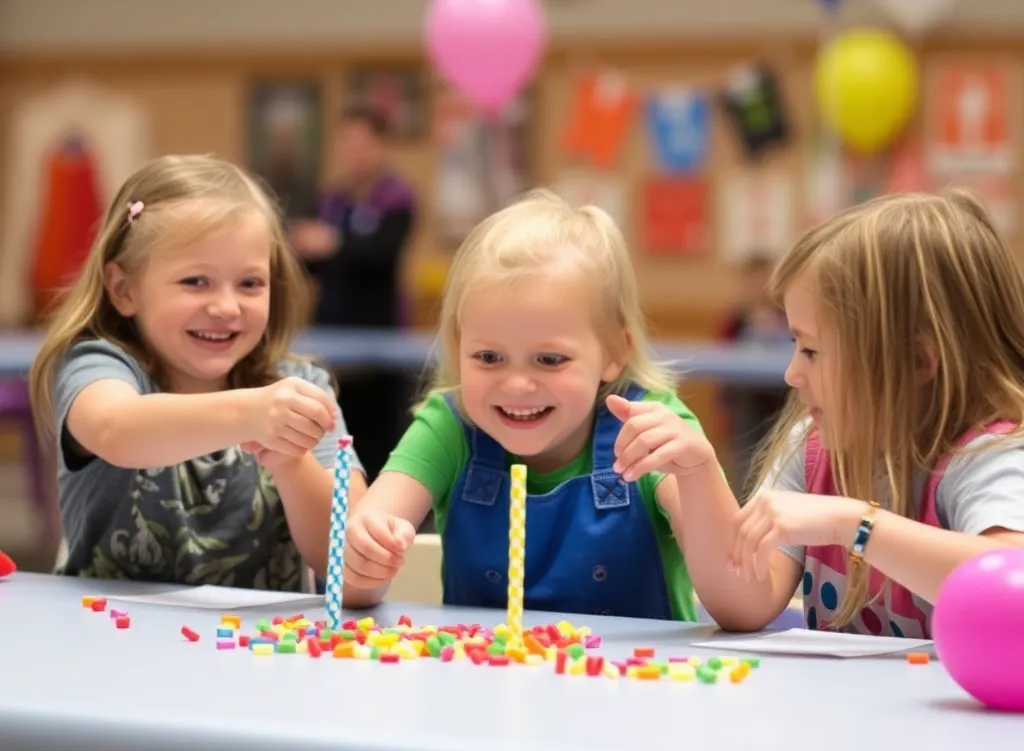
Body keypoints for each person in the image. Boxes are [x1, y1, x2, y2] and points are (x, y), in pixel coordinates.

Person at [28, 154, 369, 751]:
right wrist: (251, 412)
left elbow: (347, 558)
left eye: (250, 283)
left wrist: (291, 459)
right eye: (195, 282)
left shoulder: (301, 389)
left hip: (262, 685)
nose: (227, 306)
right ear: (124, 289)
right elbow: (116, 430)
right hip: (103, 678)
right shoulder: (101, 367)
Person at [337, 188, 735, 623]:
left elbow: (739, 604)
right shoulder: (449, 426)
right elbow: (350, 584)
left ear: (614, 352)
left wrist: (699, 476)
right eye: (489, 357)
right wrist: (365, 554)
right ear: (457, 347)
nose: (517, 385)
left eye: (550, 360)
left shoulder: (651, 430)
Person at [713, 190, 1024, 635]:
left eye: (812, 350)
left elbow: (1009, 578)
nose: (792, 374)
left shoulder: (991, 455)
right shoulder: (812, 446)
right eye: (795, 346)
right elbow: (746, 602)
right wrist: (697, 474)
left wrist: (852, 524)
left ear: (917, 359)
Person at [289, 108, 417, 482]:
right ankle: (338, 497)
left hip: (381, 338)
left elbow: (382, 256)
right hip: (330, 335)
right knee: (333, 431)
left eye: (362, 143)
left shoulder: (397, 199)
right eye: (346, 144)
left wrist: (334, 244)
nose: (353, 153)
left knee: (379, 436)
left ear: (380, 146)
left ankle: (380, 497)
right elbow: (309, 264)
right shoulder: (330, 201)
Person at [717, 255, 790, 495]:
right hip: (746, 401)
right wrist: (723, 406)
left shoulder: (788, 316)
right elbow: (721, 361)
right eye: (753, 282)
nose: (758, 288)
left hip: (780, 402)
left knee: (779, 457)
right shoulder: (735, 320)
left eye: (763, 281)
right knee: (745, 460)